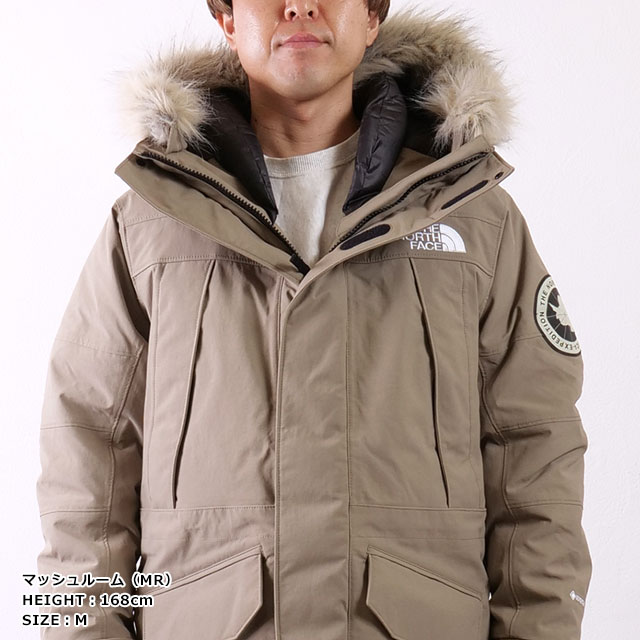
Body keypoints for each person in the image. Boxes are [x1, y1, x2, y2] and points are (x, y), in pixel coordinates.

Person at [35, 1, 592, 639]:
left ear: (372, 16)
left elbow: (536, 454)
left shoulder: (474, 219)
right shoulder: (149, 225)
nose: (299, 5)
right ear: (227, 19)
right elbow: (85, 461)